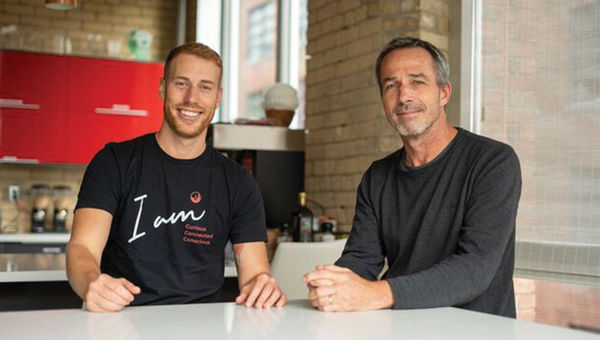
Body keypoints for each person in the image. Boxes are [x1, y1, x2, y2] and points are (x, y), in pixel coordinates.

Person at [303, 37, 521, 317]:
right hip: (403, 324)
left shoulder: (493, 162)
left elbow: (474, 269)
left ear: (444, 93)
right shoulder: (377, 176)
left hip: (476, 329)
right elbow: (362, 259)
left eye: (417, 82)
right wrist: (333, 284)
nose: (404, 96)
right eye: (391, 85)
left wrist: (376, 293)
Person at [66, 42, 286, 312]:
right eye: (181, 83)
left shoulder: (238, 182)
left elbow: (255, 274)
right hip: (120, 319)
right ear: (162, 88)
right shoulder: (114, 162)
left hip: (201, 329)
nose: (192, 98)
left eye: (205, 87)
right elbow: (82, 248)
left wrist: (262, 287)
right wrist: (92, 283)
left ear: (217, 98)